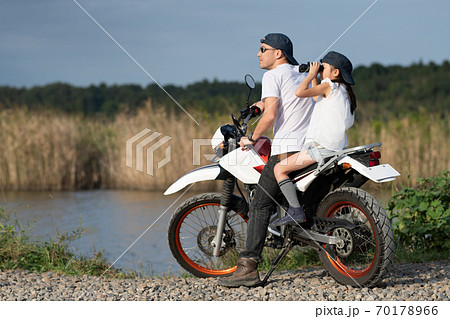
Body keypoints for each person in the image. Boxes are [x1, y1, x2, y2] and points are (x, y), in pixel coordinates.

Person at [217, 33, 315, 287]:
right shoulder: (300, 72)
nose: (258, 54)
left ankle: (248, 268)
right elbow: (284, 100)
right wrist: (258, 106)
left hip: (287, 149)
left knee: (260, 204)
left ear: (278, 53)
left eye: (263, 49)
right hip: (310, 148)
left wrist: (252, 136)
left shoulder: (272, 75)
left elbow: (272, 115)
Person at [271, 51, 357, 227]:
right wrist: (315, 78)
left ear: (335, 73)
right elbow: (317, 97)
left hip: (320, 149)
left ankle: (296, 210)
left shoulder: (329, 86)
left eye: (323, 67)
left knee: (279, 169)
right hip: (335, 148)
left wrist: (310, 74)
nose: (320, 70)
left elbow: (300, 92)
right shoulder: (342, 91)